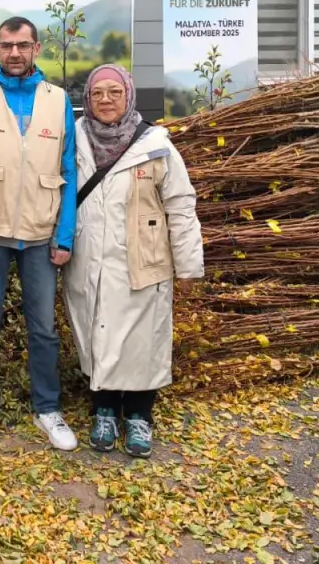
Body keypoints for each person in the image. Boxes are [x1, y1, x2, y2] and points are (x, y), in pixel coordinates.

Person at [0, 16, 78, 456]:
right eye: (6, 46)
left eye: (22, 46)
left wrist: (65, 236)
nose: (14, 54)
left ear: (36, 49)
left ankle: (48, 409)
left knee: (43, 329)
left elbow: (69, 169)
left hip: (42, 236)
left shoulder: (57, 99)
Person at [65, 65, 204, 458]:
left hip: (142, 260)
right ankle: (104, 411)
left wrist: (190, 264)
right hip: (89, 259)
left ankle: (140, 416)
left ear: (129, 96)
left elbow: (180, 204)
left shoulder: (156, 145)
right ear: (87, 100)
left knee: (143, 339)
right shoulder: (74, 141)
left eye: (114, 92)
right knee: (97, 333)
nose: (106, 100)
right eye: (97, 94)